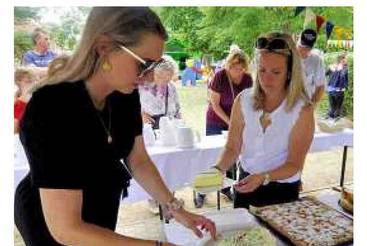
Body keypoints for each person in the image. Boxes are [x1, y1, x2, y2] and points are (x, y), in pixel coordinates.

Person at [14, 7, 216, 246]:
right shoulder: (52, 107)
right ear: (104, 47)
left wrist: (176, 208)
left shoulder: (123, 93)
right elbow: (66, 230)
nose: (148, 75)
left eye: (154, 65)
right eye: (144, 64)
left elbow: (137, 158)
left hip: (100, 208)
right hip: (52, 224)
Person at [212, 32, 314, 209]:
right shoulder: (243, 100)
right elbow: (232, 147)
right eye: (262, 70)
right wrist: (218, 169)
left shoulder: (302, 110)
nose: (266, 79)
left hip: (281, 189)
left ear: (290, 72)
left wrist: (264, 177)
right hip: (246, 182)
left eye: (276, 72)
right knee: (242, 236)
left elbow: (294, 164)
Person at [194, 45, 253, 208]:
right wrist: (231, 122)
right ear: (229, 65)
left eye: (241, 68)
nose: (237, 71)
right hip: (216, 119)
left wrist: (242, 122)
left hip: (236, 120)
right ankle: (202, 191)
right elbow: (214, 104)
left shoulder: (248, 79)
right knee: (212, 155)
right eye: (234, 67)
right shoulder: (220, 76)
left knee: (233, 154)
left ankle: (227, 188)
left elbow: (249, 102)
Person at [139, 55, 182, 130]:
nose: (163, 81)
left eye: (168, 78)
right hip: (146, 130)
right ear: (153, 72)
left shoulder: (172, 87)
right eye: (160, 77)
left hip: (169, 129)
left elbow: (177, 109)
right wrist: (141, 115)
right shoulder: (140, 87)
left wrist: (179, 125)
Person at [296, 28, 326, 104]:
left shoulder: (316, 60)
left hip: (304, 105)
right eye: (301, 46)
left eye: (307, 48)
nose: (303, 50)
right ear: (297, 40)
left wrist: (312, 106)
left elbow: (320, 87)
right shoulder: (286, 57)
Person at [326, 53, 349, 120]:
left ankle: (330, 121)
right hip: (339, 91)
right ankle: (335, 122)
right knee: (338, 108)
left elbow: (325, 74)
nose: (346, 60)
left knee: (332, 107)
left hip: (330, 90)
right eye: (345, 59)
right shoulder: (344, 68)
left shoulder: (331, 66)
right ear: (342, 60)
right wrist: (345, 87)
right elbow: (344, 78)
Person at [14, 67, 35, 133]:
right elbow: (15, 130)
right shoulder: (17, 102)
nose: (32, 84)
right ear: (18, 82)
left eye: (33, 81)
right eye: (28, 81)